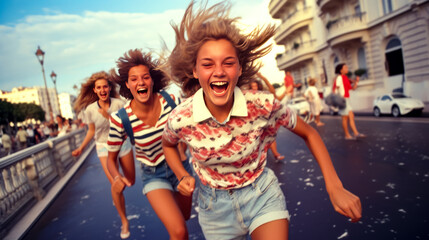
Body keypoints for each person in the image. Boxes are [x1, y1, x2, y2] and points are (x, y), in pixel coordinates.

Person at [161, 2, 362, 240]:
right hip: (215, 209)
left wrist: (334, 185)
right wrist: (182, 176)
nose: (219, 71)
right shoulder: (181, 117)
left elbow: (310, 132)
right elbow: (168, 144)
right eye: (207, 64)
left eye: (228, 62)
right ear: (195, 71)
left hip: (262, 194)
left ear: (239, 68)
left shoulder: (263, 105)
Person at [106, 49, 192, 240]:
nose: (141, 82)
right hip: (154, 175)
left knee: (184, 218)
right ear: (127, 85)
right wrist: (116, 177)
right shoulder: (121, 119)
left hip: (181, 168)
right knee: (179, 232)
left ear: (152, 80)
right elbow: (111, 159)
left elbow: (191, 131)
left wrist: (185, 147)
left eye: (145, 77)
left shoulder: (171, 103)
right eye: (134, 79)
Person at [72, 71, 134, 239]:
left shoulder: (119, 104)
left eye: (105, 86)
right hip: (104, 147)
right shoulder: (90, 110)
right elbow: (91, 131)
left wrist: (108, 117)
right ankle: (124, 221)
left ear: (109, 88)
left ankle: (118, 194)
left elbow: (128, 125)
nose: (102, 90)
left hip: (122, 144)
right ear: (95, 90)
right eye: (99, 87)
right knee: (117, 184)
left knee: (130, 180)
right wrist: (81, 148)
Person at [251, 74, 285, 161]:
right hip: (254, 121)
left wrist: (262, 77)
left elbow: (272, 90)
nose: (254, 88)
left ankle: (276, 154)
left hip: (264, 118)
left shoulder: (263, 94)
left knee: (270, 136)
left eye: (255, 86)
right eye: (252, 86)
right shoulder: (249, 95)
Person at [333, 63, 365, 140]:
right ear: (341, 70)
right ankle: (347, 135)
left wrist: (356, 81)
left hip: (347, 99)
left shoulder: (345, 78)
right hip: (342, 100)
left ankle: (356, 133)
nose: (347, 68)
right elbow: (335, 89)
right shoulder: (339, 78)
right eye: (345, 67)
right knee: (345, 118)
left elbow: (353, 88)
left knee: (351, 116)